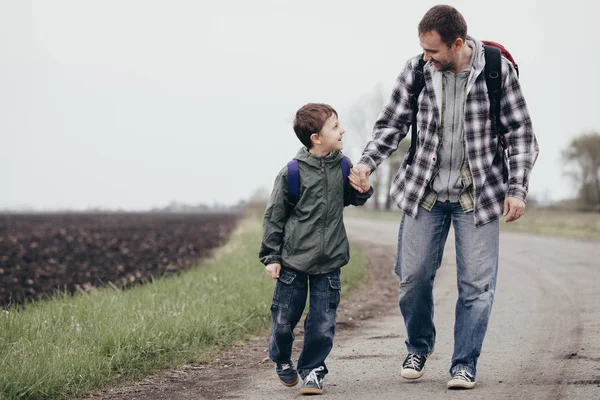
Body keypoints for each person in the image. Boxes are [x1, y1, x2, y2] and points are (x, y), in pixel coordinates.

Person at [349, 4, 539, 390]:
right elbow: (391, 125)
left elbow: (521, 134)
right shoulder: (417, 70)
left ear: (456, 45)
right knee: (412, 279)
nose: (426, 57)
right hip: (426, 192)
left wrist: (517, 190)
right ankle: (419, 345)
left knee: (476, 288)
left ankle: (463, 363)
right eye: (423, 49)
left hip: (478, 197)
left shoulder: (495, 70)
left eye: (433, 51)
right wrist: (368, 163)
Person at [259, 103, 373, 395]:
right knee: (284, 321)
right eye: (335, 126)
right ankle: (282, 358)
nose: (342, 130)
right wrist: (271, 257)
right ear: (316, 138)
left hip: (330, 260)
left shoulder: (344, 165)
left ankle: (312, 370)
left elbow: (353, 198)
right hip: (293, 261)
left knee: (322, 323)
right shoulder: (292, 173)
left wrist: (364, 188)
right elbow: (275, 216)